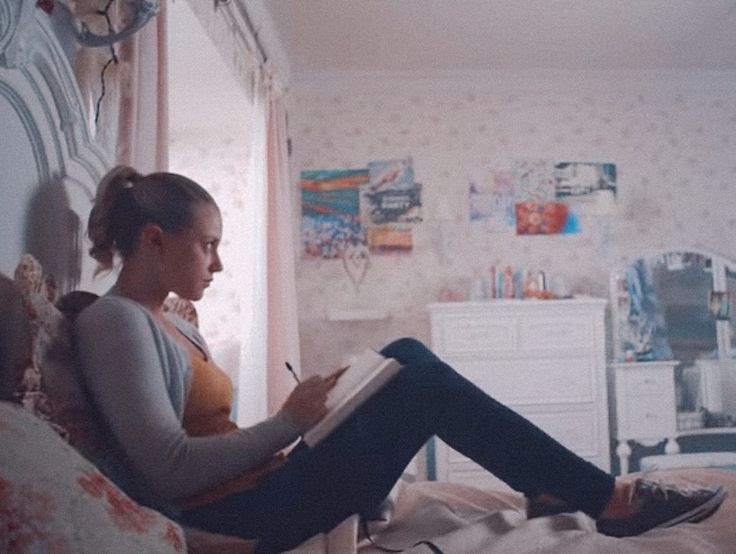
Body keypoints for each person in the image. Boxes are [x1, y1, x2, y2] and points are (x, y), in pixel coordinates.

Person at [74, 165, 726, 553]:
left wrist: (312, 419)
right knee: (416, 387)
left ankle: (568, 486)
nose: (217, 264)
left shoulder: (171, 321)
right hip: (232, 520)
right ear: (156, 240)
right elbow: (169, 475)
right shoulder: (115, 323)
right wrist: (289, 424)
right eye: (206, 246)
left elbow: (202, 442)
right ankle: (604, 497)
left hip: (259, 486)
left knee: (405, 357)